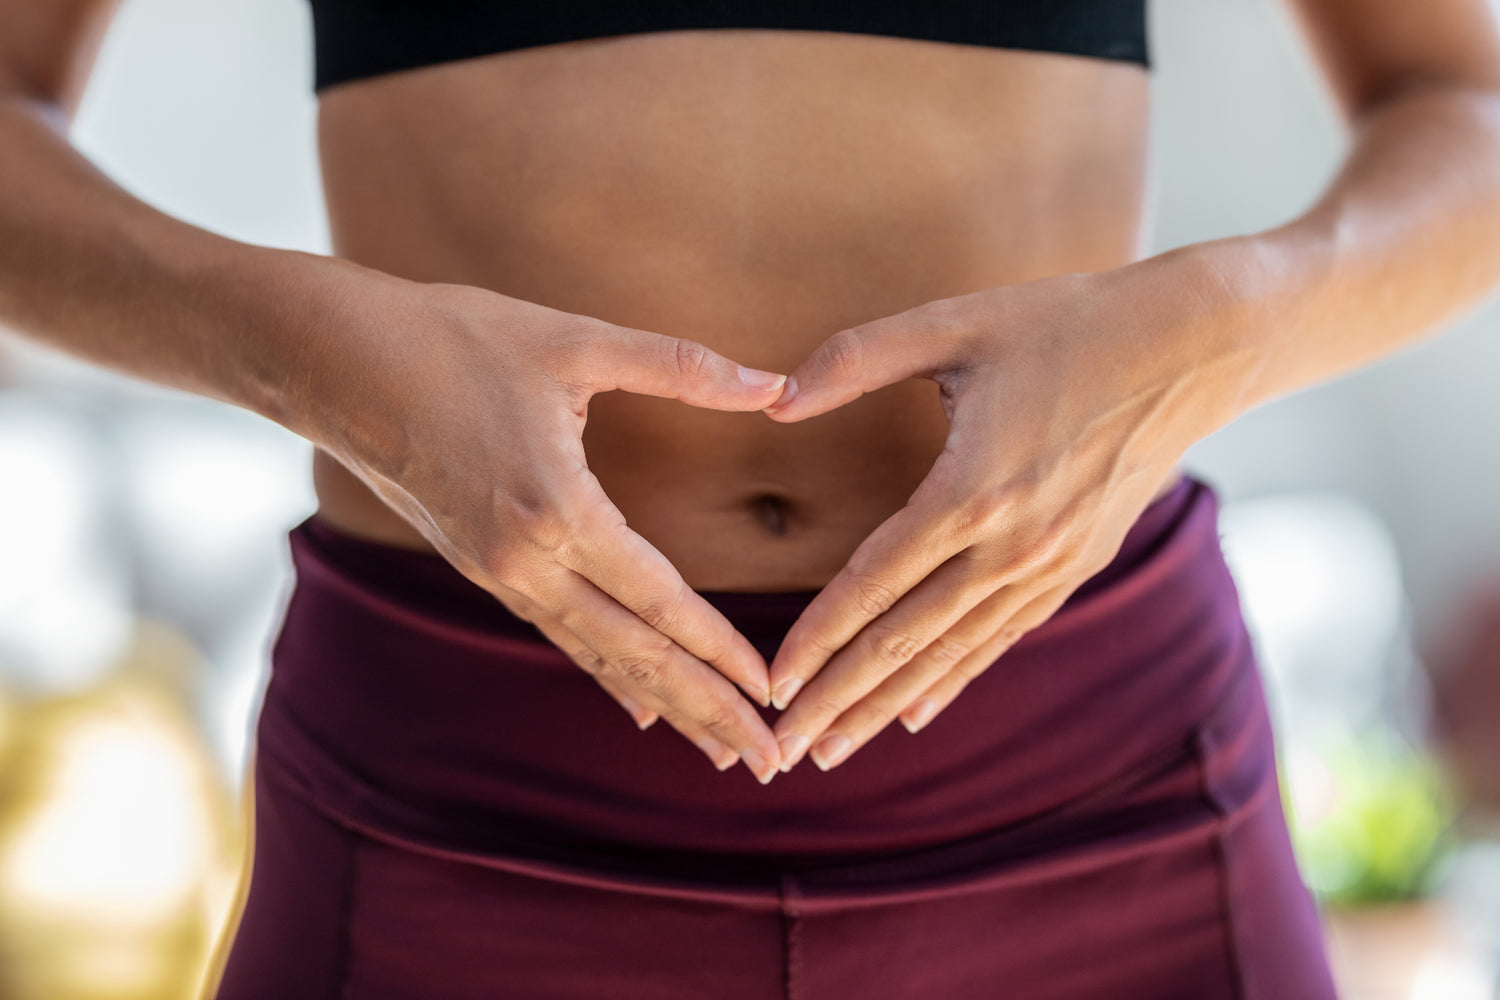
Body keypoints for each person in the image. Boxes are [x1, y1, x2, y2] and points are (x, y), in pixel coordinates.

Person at [3, 0, 1500, 996]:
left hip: (1088, 782)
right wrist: (310, 360)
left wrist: (1220, 329)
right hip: (461, 789)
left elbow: (1468, 112)